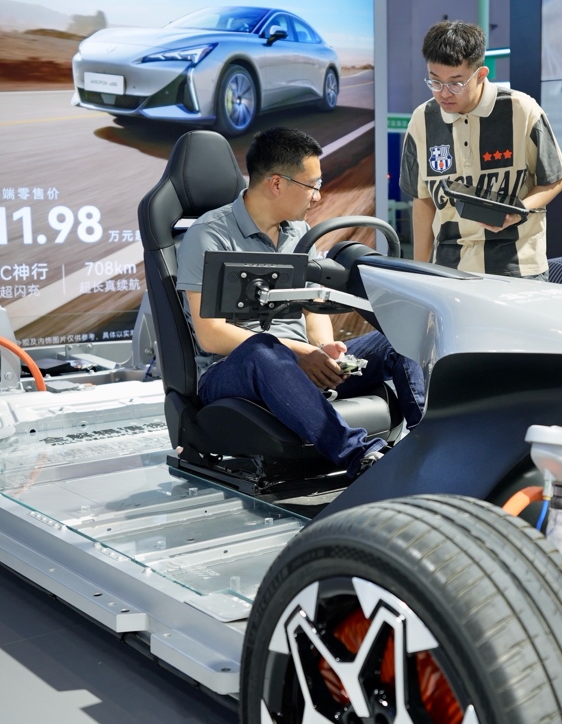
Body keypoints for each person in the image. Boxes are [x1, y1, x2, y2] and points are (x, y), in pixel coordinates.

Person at [175, 127, 423, 478]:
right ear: (277, 184)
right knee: (264, 350)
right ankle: (360, 456)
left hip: (297, 360)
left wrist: (324, 350)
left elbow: (312, 307)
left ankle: (430, 441)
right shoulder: (209, 234)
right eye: (312, 185)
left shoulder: (298, 233)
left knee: (395, 337)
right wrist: (297, 351)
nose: (318, 196)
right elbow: (211, 335)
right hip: (233, 369)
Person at [402, 20, 562, 279]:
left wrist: (520, 209)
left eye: (456, 83)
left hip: (518, 268)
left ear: (481, 74)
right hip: (449, 269)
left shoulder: (521, 110)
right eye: (435, 82)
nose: (444, 93)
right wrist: (419, 272)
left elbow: (556, 178)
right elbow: (423, 199)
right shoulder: (422, 119)